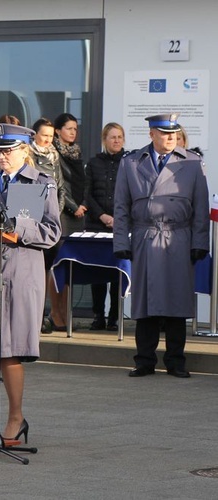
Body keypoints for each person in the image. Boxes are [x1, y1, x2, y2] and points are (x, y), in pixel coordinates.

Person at [0, 123, 61, 440]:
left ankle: (15, 417)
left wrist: (18, 224)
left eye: (8, 151)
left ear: (24, 151)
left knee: (10, 349)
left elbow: (50, 232)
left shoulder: (36, 184)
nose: (2, 156)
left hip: (21, 274)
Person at [113, 113, 210, 379]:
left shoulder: (191, 162)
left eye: (174, 133)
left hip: (178, 238)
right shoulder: (131, 162)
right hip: (144, 238)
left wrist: (200, 242)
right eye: (165, 133)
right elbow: (121, 207)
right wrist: (121, 241)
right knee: (145, 302)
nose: (170, 138)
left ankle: (176, 361)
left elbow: (200, 208)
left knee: (177, 302)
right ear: (151, 134)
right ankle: (144, 360)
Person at [84, 122, 126, 331]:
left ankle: (114, 317)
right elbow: (87, 194)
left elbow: (131, 193)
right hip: (96, 224)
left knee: (118, 273)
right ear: (104, 140)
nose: (116, 141)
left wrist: (117, 218)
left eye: (119, 137)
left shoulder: (130, 162)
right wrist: (102, 216)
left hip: (121, 225)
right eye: (112, 137)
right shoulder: (93, 163)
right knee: (98, 273)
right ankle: (98, 315)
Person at [48, 113, 86, 330]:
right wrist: (73, 206)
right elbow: (58, 184)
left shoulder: (76, 152)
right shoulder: (54, 153)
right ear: (57, 130)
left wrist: (83, 204)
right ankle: (55, 312)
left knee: (70, 266)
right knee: (58, 264)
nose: (73, 132)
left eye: (75, 128)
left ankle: (65, 312)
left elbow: (82, 182)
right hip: (62, 212)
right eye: (69, 128)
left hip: (78, 216)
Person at [29, 118, 67, 333]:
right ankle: (37, 315)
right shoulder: (28, 156)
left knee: (48, 269)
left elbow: (60, 188)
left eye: (51, 136)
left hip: (51, 222)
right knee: (36, 270)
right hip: (34, 222)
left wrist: (55, 212)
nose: (48, 139)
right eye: (44, 135)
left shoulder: (54, 156)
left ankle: (46, 314)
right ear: (35, 134)